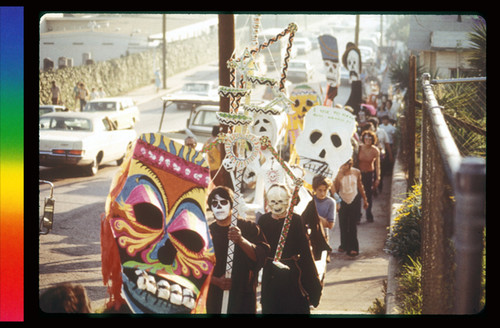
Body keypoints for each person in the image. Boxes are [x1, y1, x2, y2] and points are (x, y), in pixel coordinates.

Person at [258, 184, 322, 314]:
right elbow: (257, 250)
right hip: (270, 276)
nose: (277, 205)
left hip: (291, 275)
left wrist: (313, 285)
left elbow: (305, 253)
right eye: (273, 201)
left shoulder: (295, 220)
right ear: (268, 203)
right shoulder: (263, 221)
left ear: (288, 201)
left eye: (281, 201)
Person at [206, 186, 270, 314]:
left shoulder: (249, 228)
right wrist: (216, 281)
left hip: (243, 298)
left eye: (223, 202)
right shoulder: (207, 233)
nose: (219, 207)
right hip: (215, 298)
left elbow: (260, 257)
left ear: (232, 205)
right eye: (214, 203)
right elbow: (197, 265)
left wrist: (240, 240)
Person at [334, 158, 368, 257]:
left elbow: (360, 186)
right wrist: (336, 202)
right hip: (342, 199)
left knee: (353, 224)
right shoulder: (338, 174)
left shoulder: (356, 172)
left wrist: (365, 199)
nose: (343, 167)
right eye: (342, 165)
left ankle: (353, 247)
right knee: (343, 223)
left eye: (345, 165)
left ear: (349, 164)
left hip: (354, 199)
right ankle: (343, 244)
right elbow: (335, 190)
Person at [357, 129, 380, 222]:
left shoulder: (375, 150)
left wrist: (378, 178)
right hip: (359, 174)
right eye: (366, 138)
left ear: (373, 140)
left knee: (368, 195)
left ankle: (369, 215)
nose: (367, 140)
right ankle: (357, 216)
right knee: (358, 195)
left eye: (370, 139)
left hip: (369, 174)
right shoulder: (359, 148)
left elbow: (378, 165)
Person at [312, 175, 336, 247]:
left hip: (323, 236)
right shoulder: (309, 200)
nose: (322, 193)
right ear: (315, 189)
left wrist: (314, 215)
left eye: (325, 190)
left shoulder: (331, 202)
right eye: (320, 190)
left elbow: (330, 225)